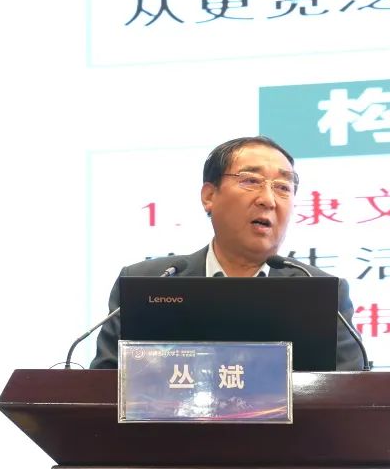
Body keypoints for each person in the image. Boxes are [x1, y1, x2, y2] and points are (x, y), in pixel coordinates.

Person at [89, 135, 365, 370]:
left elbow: (352, 397)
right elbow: (102, 391)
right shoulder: (149, 281)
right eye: (251, 181)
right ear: (209, 196)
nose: (268, 200)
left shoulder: (322, 294)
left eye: (283, 187)